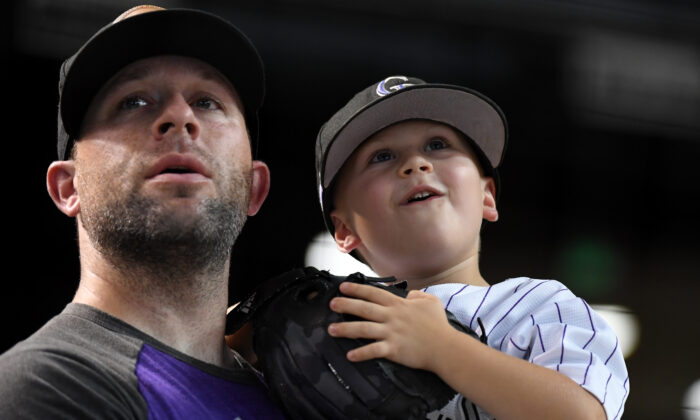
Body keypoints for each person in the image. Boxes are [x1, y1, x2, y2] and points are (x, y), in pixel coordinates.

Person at [0, 5, 286, 419]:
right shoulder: (45, 384)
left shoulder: (299, 396)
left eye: (206, 101)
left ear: (254, 188)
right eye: (133, 101)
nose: (180, 116)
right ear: (68, 187)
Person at [314, 75, 629, 420]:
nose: (417, 164)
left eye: (437, 145)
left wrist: (441, 347)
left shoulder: (542, 306)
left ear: (487, 196)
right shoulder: (333, 334)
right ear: (345, 230)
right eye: (382, 156)